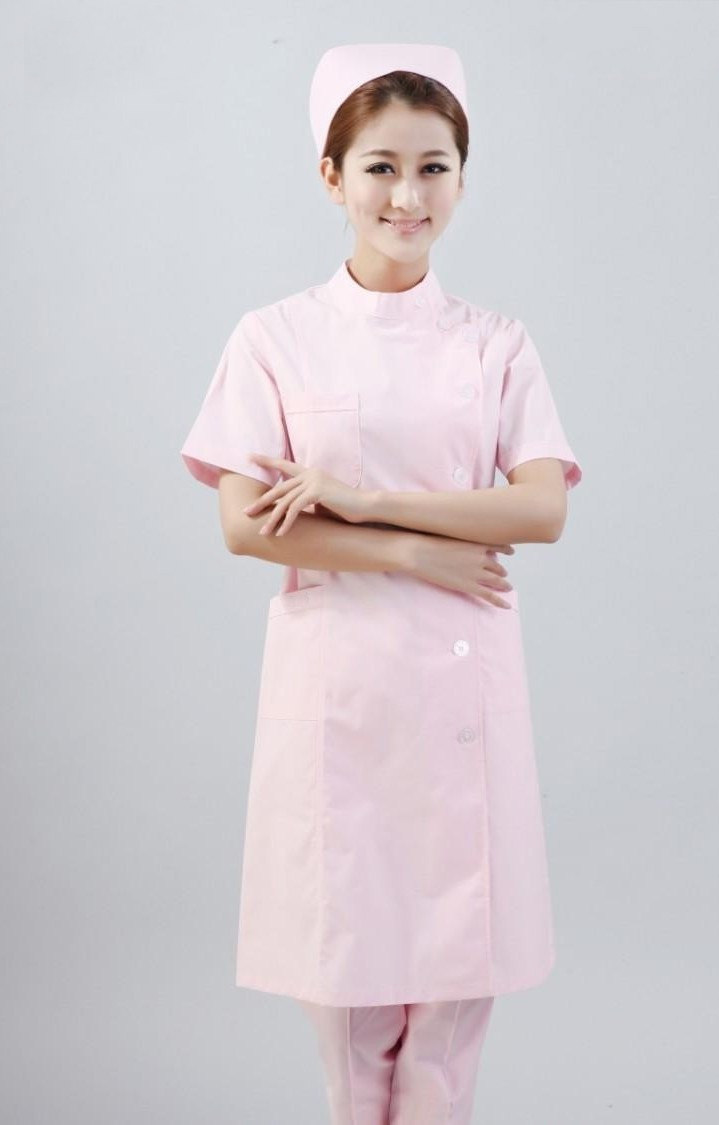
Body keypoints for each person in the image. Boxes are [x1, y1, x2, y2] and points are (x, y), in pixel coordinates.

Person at [180, 41, 582, 1125]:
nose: (409, 196)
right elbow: (244, 525)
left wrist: (359, 504)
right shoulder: (275, 339)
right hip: (341, 700)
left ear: (463, 177)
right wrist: (413, 553)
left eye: (434, 167)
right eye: (381, 168)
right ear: (332, 176)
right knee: (351, 1025)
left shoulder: (495, 344)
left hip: (460, 700)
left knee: (446, 1026)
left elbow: (541, 507)